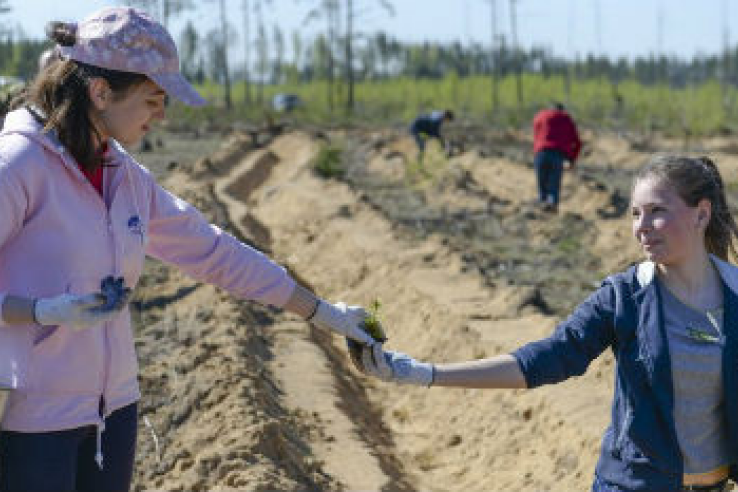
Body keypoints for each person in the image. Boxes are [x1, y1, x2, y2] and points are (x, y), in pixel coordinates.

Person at [0, 7, 377, 492]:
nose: (162, 114)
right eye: (153, 99)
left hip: (111, 413)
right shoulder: (21, 165)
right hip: (31, 420)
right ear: (100, 92)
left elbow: (213, 251)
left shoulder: (123, 175)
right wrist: (37, 310)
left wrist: (322, 312)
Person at [357, 155, 738, 492]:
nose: (642, 227)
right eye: (635, 213)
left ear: (701, 214)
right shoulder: (625, 298)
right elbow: (545, 359)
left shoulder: (734, 298)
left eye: (657, 211)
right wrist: (424, 373)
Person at [532, 102, 581, 213]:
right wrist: (571, 159)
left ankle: (542, 209)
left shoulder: (540, 116)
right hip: (557, 155)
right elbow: (577, 142)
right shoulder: (565, 118)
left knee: (542, 185)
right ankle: (553, 210)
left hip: (540, 154)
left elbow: (536, 135)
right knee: (554, 185)